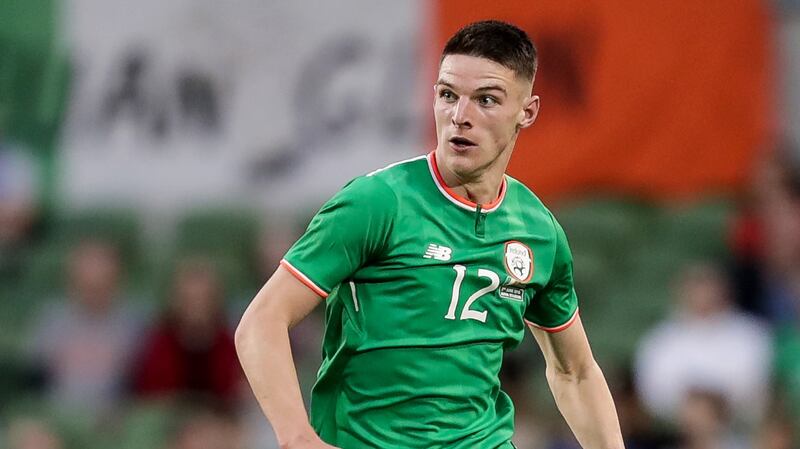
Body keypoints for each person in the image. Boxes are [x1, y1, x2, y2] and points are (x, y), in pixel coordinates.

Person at [236, 20, 624, 449]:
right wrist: (297, 438)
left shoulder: (539, 232)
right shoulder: (377, 202)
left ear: (527, 112)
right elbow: (261, 322)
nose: (460, 116)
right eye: (447, 95)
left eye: (487, 100)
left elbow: (575, 371)